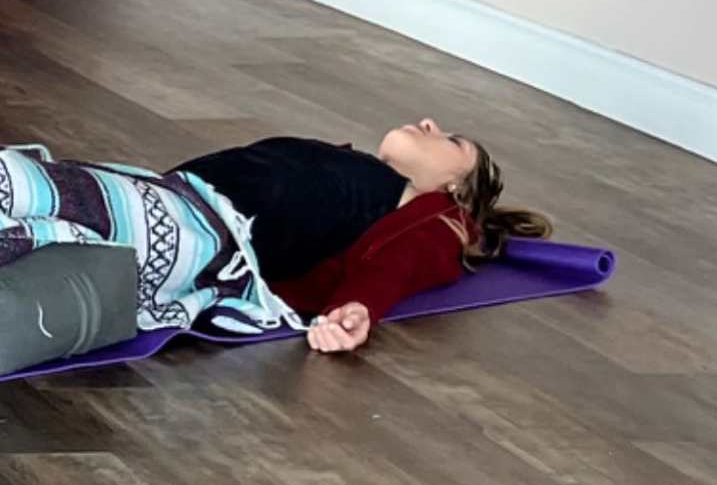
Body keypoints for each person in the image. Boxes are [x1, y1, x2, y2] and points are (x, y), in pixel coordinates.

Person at [173, 117, 548, 354]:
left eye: (453, 141)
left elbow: (399, 264)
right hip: (169, 192)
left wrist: (357, 308)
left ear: (456, 189)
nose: (429, 122)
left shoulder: (436, 219)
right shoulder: (358, 168)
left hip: (197, 232)